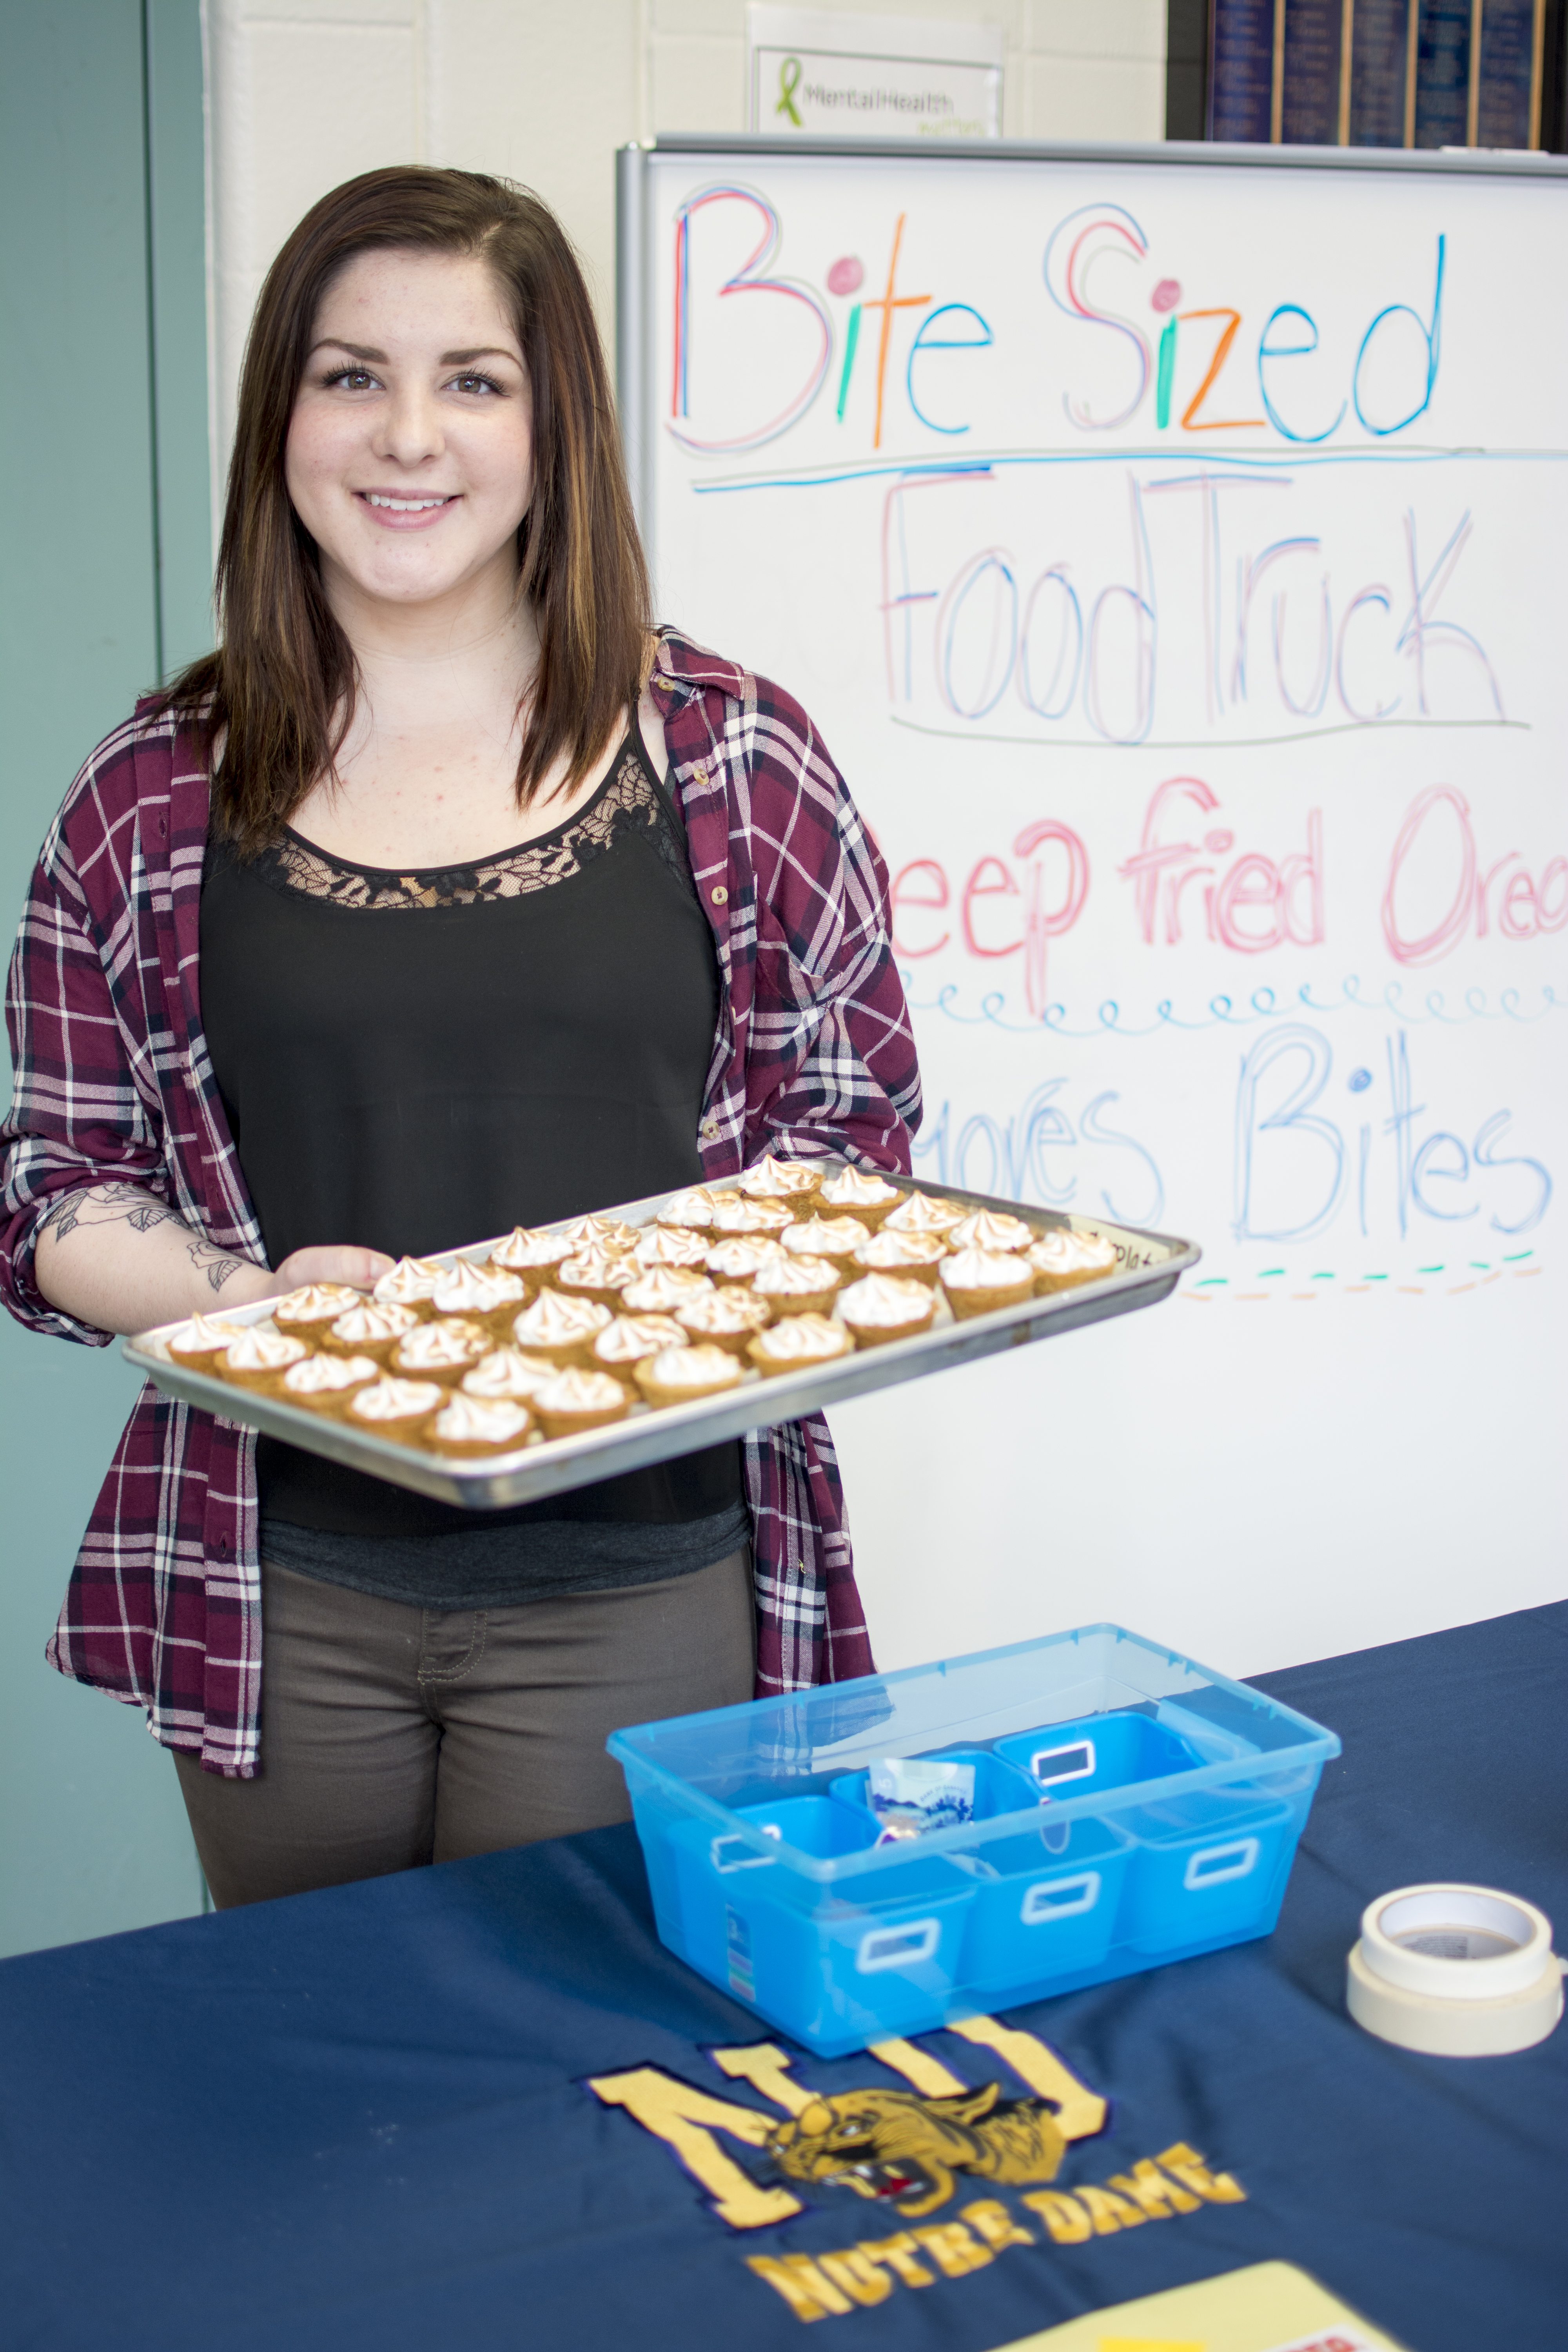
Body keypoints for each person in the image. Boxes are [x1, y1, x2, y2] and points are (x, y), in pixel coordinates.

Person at [0, 167, 920, 1908]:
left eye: (472, 381)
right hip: (282, 1593)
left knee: (584, 2096)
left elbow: (855, 1140)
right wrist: (244, 1310)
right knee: (321, 2084)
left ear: (550, 421)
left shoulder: (732, 759)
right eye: (350, 375)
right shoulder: (146, 794)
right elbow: (56, 1184)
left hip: (644, 1583)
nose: (406, 436)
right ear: (284, 413)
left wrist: (621, 1309)